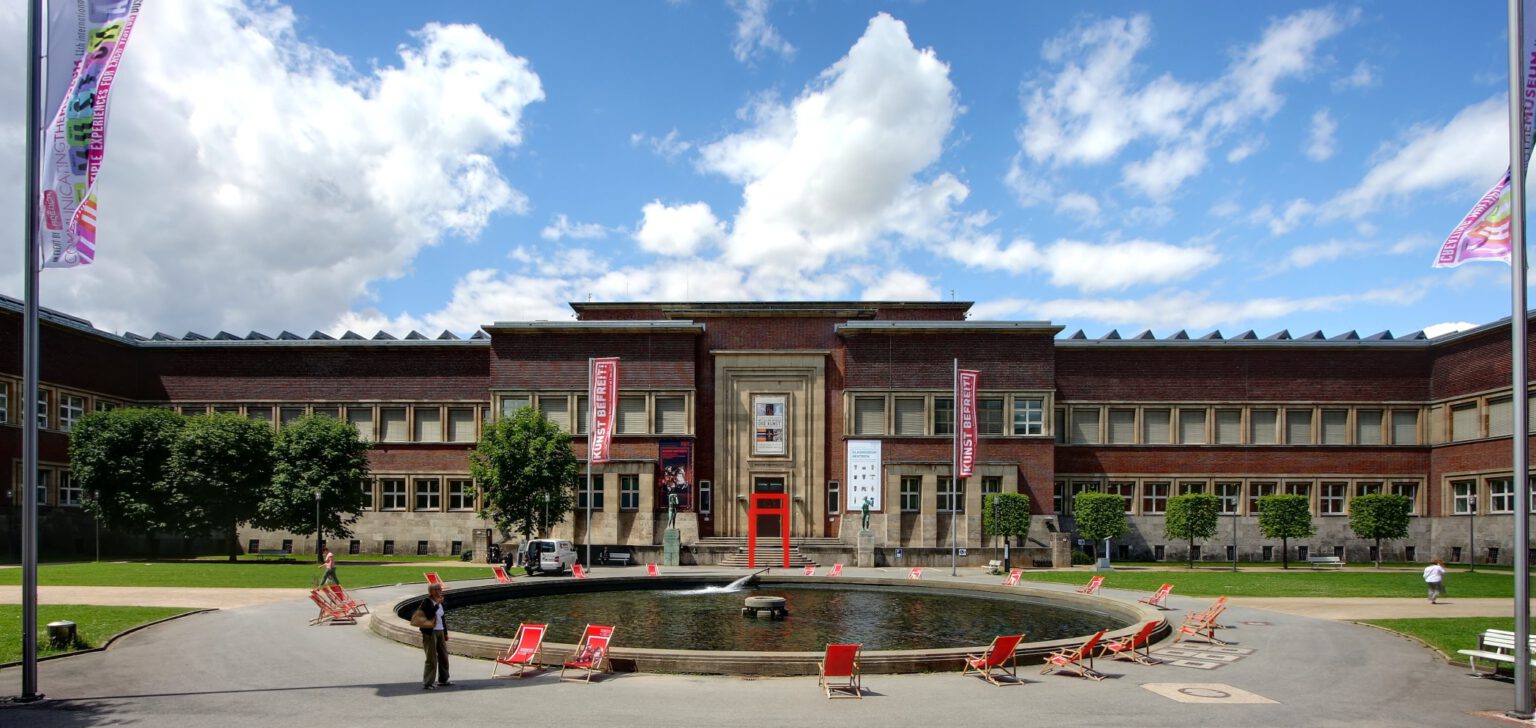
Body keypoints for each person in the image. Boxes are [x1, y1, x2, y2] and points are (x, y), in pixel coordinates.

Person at [416, 582, 451, 689]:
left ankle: (443, 679)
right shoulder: (427, 601)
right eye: (436, 589)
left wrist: (445, 633)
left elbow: (442, 618)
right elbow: (429, 614)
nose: (439, 591)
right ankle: (428, 683)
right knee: (431, 658)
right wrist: (436, 605)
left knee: (444, 656)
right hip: (430, 632)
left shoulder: (439, 601)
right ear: (431, 591)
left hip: (440, 631)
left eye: (440, 589)